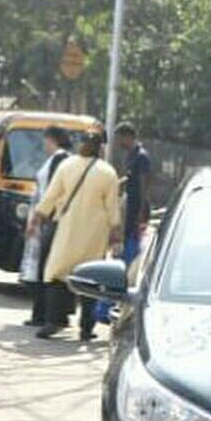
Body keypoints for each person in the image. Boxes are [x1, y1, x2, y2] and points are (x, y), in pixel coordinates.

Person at [31, 129, 120, 341]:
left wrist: (37, 218)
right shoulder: (107, 172)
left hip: (68, 230)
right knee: (90, 279)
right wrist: (115, 233)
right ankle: (85, 329)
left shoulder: (66, 166)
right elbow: (113, 209)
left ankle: (54, 321)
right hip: (94, 234)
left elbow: (50, 197)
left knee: (56, 273)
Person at [22, 126, 72, 327]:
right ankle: (52, 314)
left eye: (46, 140)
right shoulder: (60, 160)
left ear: (52, 139)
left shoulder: (59, 159)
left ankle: (42, 315)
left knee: (46, 268)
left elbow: (52, 193)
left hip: (49, 220)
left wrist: (39, 219)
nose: (44, 144)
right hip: (49, 218)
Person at [114, 122, 151, 267]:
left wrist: (142, 210)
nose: (118, 143)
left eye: (120, 138)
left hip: (137, 207)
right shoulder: (131, 155)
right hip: (130, 205)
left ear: (128, 137)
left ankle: (132, 266)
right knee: (127, 235)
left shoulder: (141, 157)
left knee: (134, 239)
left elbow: (144, 184)